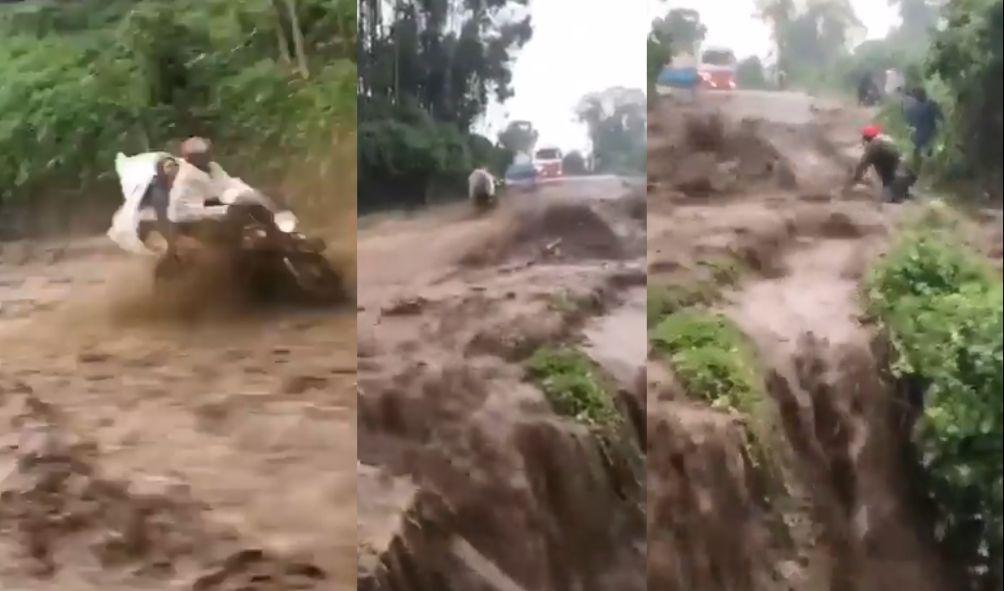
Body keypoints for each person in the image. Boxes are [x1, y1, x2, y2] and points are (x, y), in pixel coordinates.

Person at [848, 125, 915, 203]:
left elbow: (863, 164)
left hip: (893, 167)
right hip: (904, 167)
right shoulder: (887, 138)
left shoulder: (874, 145)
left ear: (867, 138)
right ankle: (903, 193)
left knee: (888, 192)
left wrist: (856, 177)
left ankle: (894, 195)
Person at [903, 87, 942, 168]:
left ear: (915, 97)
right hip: (931, 133)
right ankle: (928, 158)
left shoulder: (912, 109)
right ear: (925, 94)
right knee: (931, 147)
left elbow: (909, 123)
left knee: (918, 147)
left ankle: (918, 165)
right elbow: (941, 118)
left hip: (919, 136)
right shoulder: (931, 104)